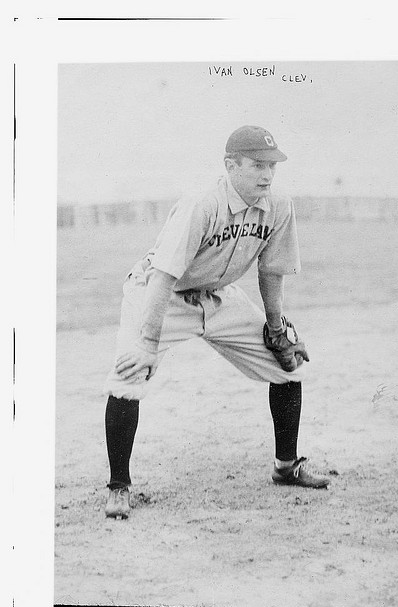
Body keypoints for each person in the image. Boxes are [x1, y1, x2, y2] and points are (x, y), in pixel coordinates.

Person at [103, 125, 330, 519]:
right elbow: (164, 275)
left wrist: (276, 329)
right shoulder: (202, 204)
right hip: (161, 295)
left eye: (272, 166)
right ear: (230, 165)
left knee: (286, 368)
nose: (267, 174)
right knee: (129, 374)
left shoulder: (278, 205)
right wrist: (147, 343)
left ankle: (286, 466)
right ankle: (119, 486)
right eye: (258, 165)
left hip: (219, 296)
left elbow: (271, 272)